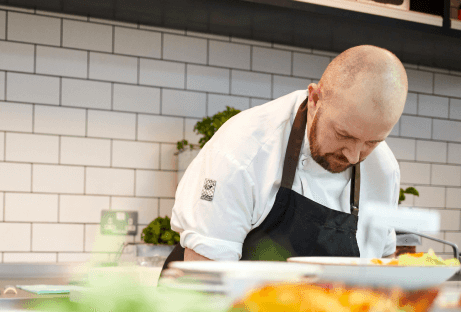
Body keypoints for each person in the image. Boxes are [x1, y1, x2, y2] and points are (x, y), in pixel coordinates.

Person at [162, 45, 407, 268]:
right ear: (314, 99)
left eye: (372, 142)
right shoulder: (244, 151)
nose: (354, 156)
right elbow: (203, 285)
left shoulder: (384, 171)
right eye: (343, 134)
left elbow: (381, 272)